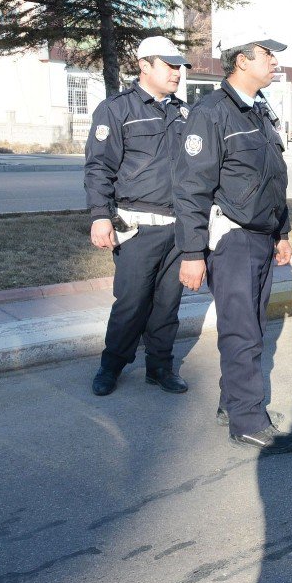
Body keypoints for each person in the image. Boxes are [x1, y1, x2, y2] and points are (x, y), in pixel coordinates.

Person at [173, 27, 292, 455]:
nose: (274, 63)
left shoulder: (259, 111)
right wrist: (191, 253)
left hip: (262, 236)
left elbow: (273, 180)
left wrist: (282, 231)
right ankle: (247, 420)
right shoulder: (211, 113)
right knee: (242, 331)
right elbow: (191, 188)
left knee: (254, 328)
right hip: (233, 240)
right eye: (268, 55)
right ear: (242, 60)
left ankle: (235, 402)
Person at [85, 36, 192, 397]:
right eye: (170, 65)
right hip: (137, 228)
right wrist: (100, 216)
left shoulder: (184, 112)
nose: (177, 72)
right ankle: (111, 365)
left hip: (178, 229)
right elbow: (98, 167)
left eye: (180, 66)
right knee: (131, 303)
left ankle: (159, 366)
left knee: (168, 305)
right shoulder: (117, 109)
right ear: (144, 65)